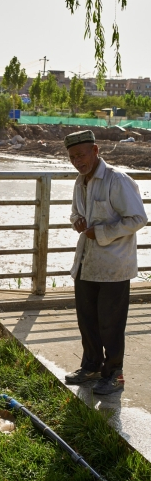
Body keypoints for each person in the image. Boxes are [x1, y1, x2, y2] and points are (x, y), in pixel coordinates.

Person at [64, 130, 148, 395]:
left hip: (114, 267)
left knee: (110, 324)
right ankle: (91, 366)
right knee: (87, 320)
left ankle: (114, 374)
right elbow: (77, 211)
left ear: (96, 150)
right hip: (87, 263)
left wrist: (99, 232)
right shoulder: (81, 181)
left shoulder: (117, 180)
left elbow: (137, 219)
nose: (77, 161)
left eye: (81, 155)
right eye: (72, 157)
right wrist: (76, 220)